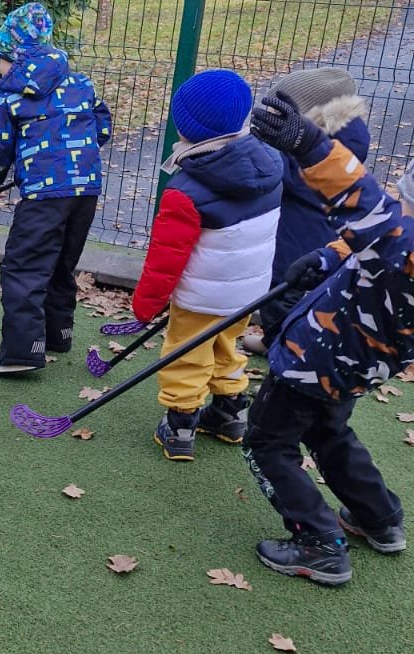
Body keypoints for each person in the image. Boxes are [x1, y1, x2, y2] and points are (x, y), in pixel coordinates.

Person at [242, 95, 412, 586]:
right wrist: (331, 255)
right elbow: (375, 236)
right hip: (360, 366)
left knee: (266, 442)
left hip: (313, 360)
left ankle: (318, 542)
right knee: (328, 432)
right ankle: (379, 518)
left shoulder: (400, 241)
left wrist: (310, 143)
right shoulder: (397, 243)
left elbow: (361, 200)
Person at [129, 69, 282, 459]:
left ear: (187, 130)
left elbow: (165, 259)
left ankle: (180, 424)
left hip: (201, 296)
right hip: (247, 293)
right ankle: (229, 412)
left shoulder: (186, 190)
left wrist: (146, 305)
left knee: (187, 353)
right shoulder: (271, 165)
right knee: (226, 343)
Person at [0, 2, 111, 376]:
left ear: (11, 57)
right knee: (62, 262)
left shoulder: (9, 94)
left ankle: (22, 352)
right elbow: (101, 125)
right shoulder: (81, 83)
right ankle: (57, 333)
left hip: (43, 197)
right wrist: (76, 155)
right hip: (85, 190)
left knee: (24, 267)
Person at [257, 65, 370, 343]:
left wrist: (263, 149)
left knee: (282, 299)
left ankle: (281, 346)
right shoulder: (343, 140)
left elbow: (289, 176)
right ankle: (280, 341)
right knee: (293, 300)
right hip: (316, 237)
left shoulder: (318, 154)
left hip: (298, 245)